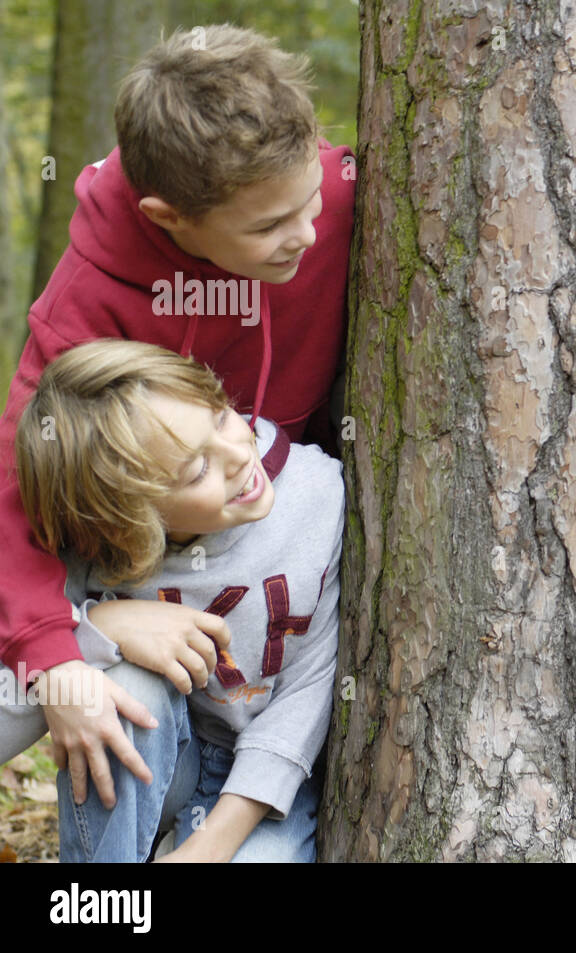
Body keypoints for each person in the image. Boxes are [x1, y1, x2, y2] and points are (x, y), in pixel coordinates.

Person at [0, 24, 354, 816]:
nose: (306, 233)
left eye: (312, 203)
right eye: (269, 228)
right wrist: (53, 653)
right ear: (169, 217)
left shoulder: (327, 191)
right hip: (138, 554)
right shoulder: (89, 294)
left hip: (278, 544)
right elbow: (20, 484)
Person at [4, 340, 342, 862]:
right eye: (196, 471)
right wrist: (102, 626)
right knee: (124, 688)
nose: (238, 454)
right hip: (169, 760)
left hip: (268, 787)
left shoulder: (318, 497)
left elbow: (310, 688)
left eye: (221, 416)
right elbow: (21, 684)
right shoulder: (104, 555)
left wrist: (207, 849)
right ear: (131, 523)